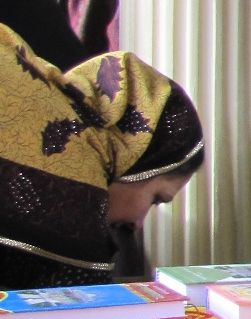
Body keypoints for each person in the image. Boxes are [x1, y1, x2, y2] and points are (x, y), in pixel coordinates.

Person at [0, 28, 204, 287]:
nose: (138, 224)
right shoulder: (73, 175)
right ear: (138, 164)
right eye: (156, 199)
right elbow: (81, 312)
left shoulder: (40, 105)